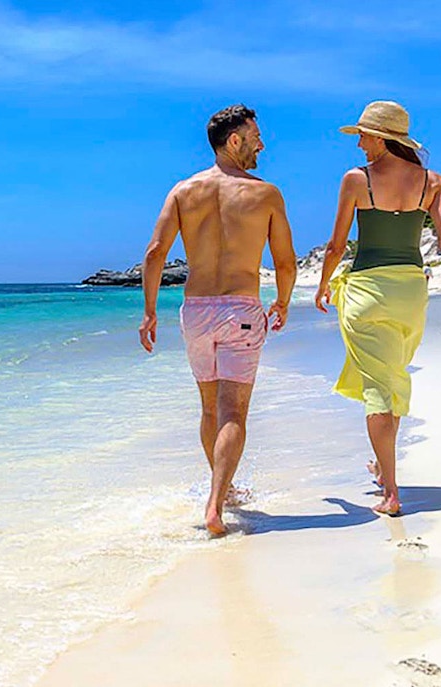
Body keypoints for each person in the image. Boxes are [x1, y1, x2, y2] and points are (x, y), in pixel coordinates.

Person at [139, 104, 297, 537]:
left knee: (209, 407)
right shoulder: (265, 194)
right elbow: (284, 261)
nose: (262, 144)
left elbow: (154, 254)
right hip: (240, 310)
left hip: (197, 312)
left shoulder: (183, 192)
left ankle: (221, 491)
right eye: (256, 136)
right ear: (234, 141)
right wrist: (282, 302)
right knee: (234, 411)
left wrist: (150, 311)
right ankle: (216, 505)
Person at [313, 101, 441, 515]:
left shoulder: (357, 180)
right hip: (410, 293)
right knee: (391, 378)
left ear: (384, 139)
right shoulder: (432, 182)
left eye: (364, 136)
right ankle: (384, 470)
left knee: (377, 389)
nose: (360, 144)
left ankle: (390, 494)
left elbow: (336, 246)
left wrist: (321, 286)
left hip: (367, 291)